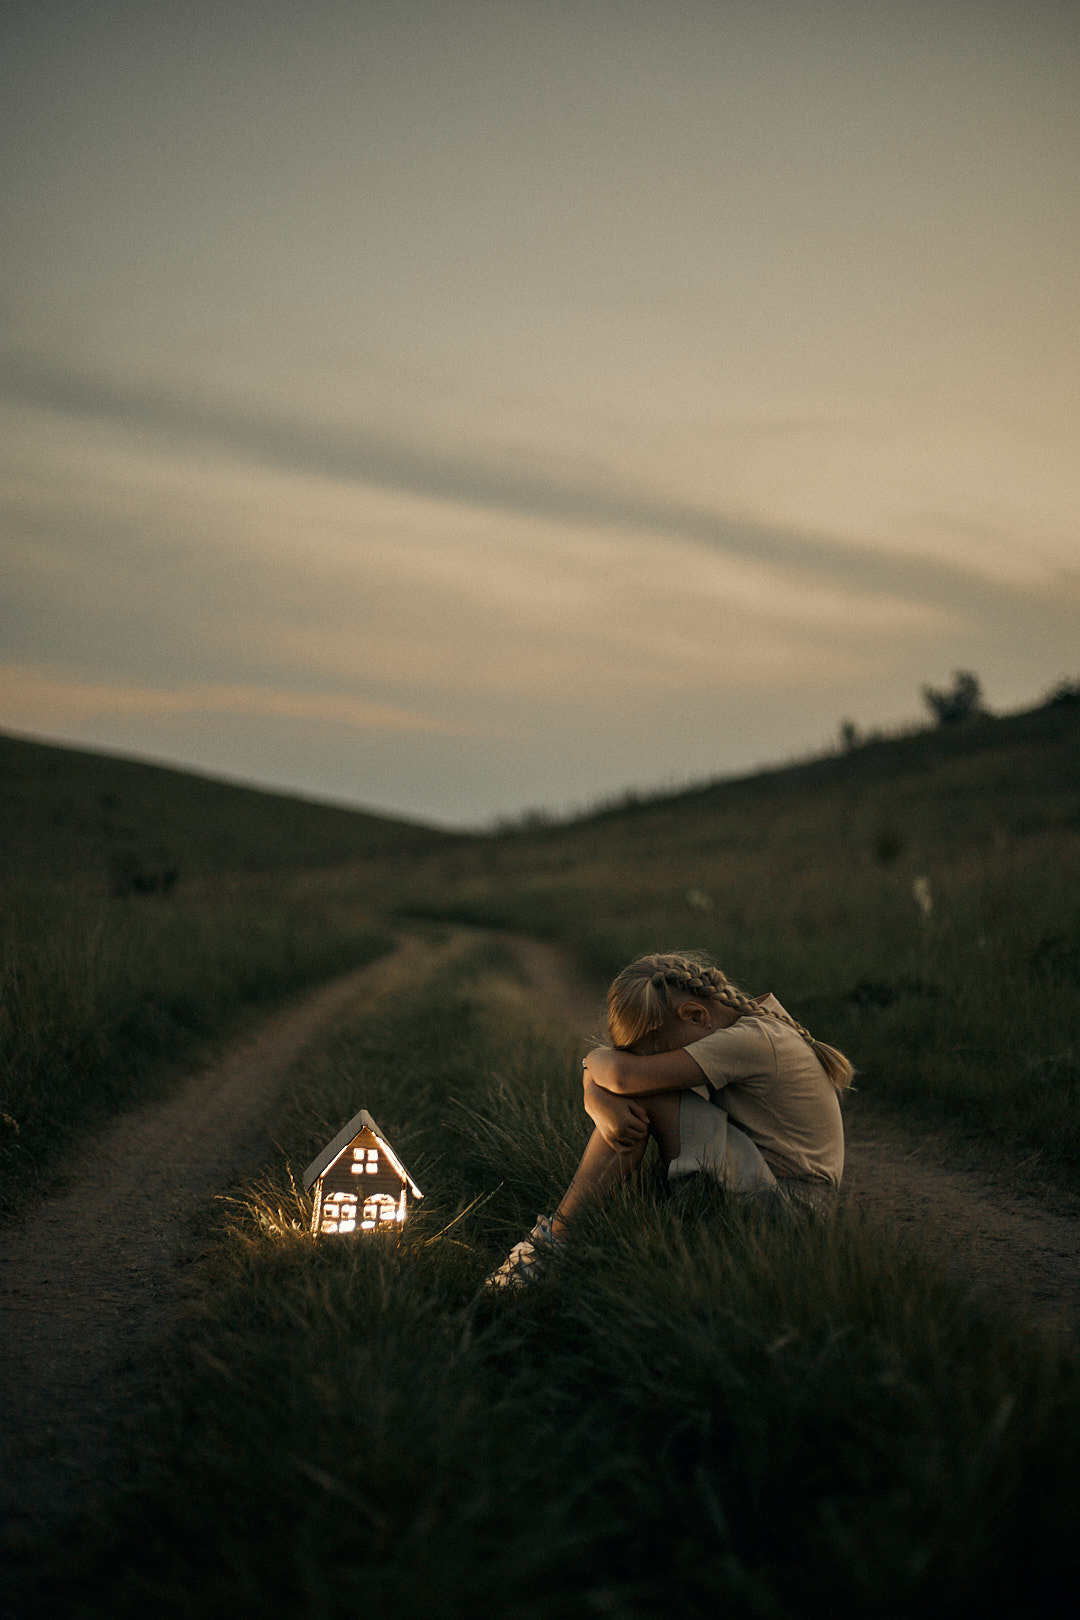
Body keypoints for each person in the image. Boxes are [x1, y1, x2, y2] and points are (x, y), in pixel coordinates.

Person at [487, 951, 853, 1288]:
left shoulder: (751, 1041)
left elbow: (624, 1077)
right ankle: (559, 1239)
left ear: (695, 1016)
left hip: (787, 1214)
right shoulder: (752, 1024)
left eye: (658, 1054)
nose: (658, 1064)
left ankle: (552, 1245)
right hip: (783, 1195)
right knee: (635, 1089)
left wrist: (596, 1086)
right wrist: (595, 1088)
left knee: (645, 1092)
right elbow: (616, 1072)